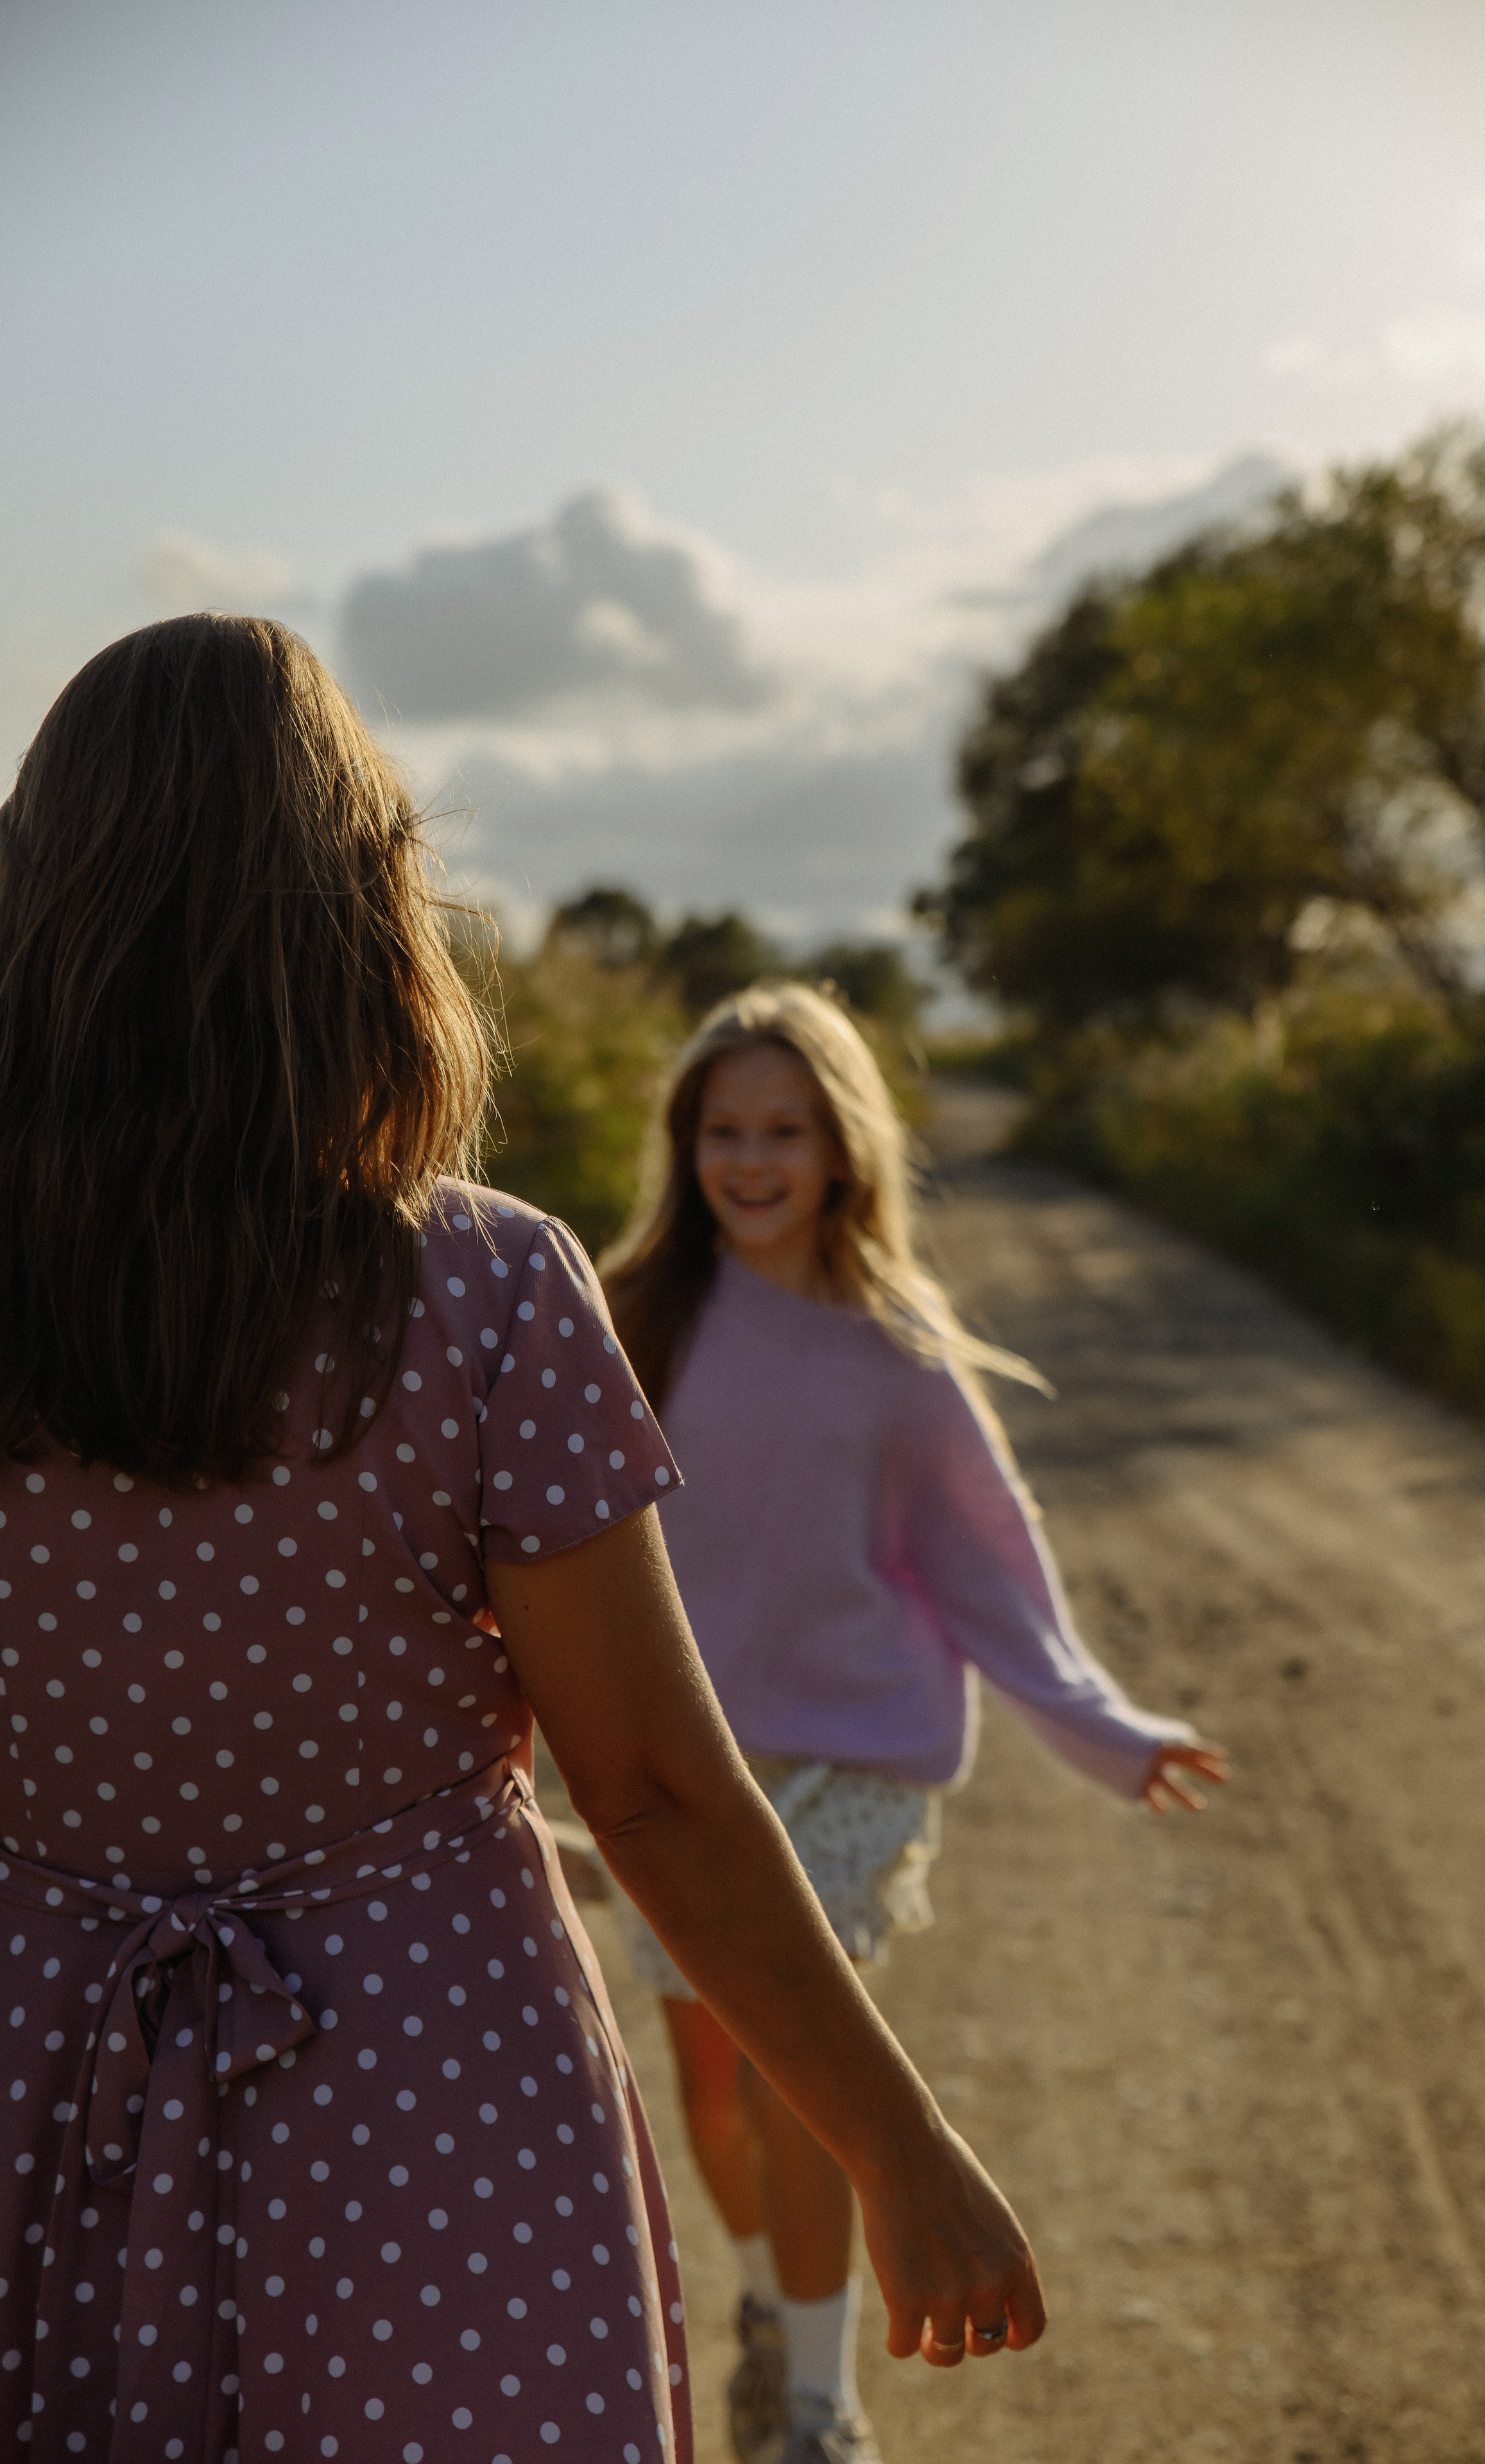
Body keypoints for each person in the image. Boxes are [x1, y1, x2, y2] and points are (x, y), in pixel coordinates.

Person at [0, 617, 1045, 2464]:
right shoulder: (476, 1287)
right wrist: (902, 2147)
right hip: (431, 2107)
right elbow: (646, 1789)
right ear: (355, 917)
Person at [601, 984, 1228, 2464]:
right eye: (722, 1131)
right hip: (689, 1764)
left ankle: (814, 2411)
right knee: (706, 2075)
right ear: (686, 1147)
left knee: (790, 2068)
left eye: (786, 1131)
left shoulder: (896, 1345)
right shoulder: (632, 1315)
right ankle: (772, 2306)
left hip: (850, 1762)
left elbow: (984, 1565)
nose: (751, 1162)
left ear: (841, 1149)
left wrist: (1102, 1723)